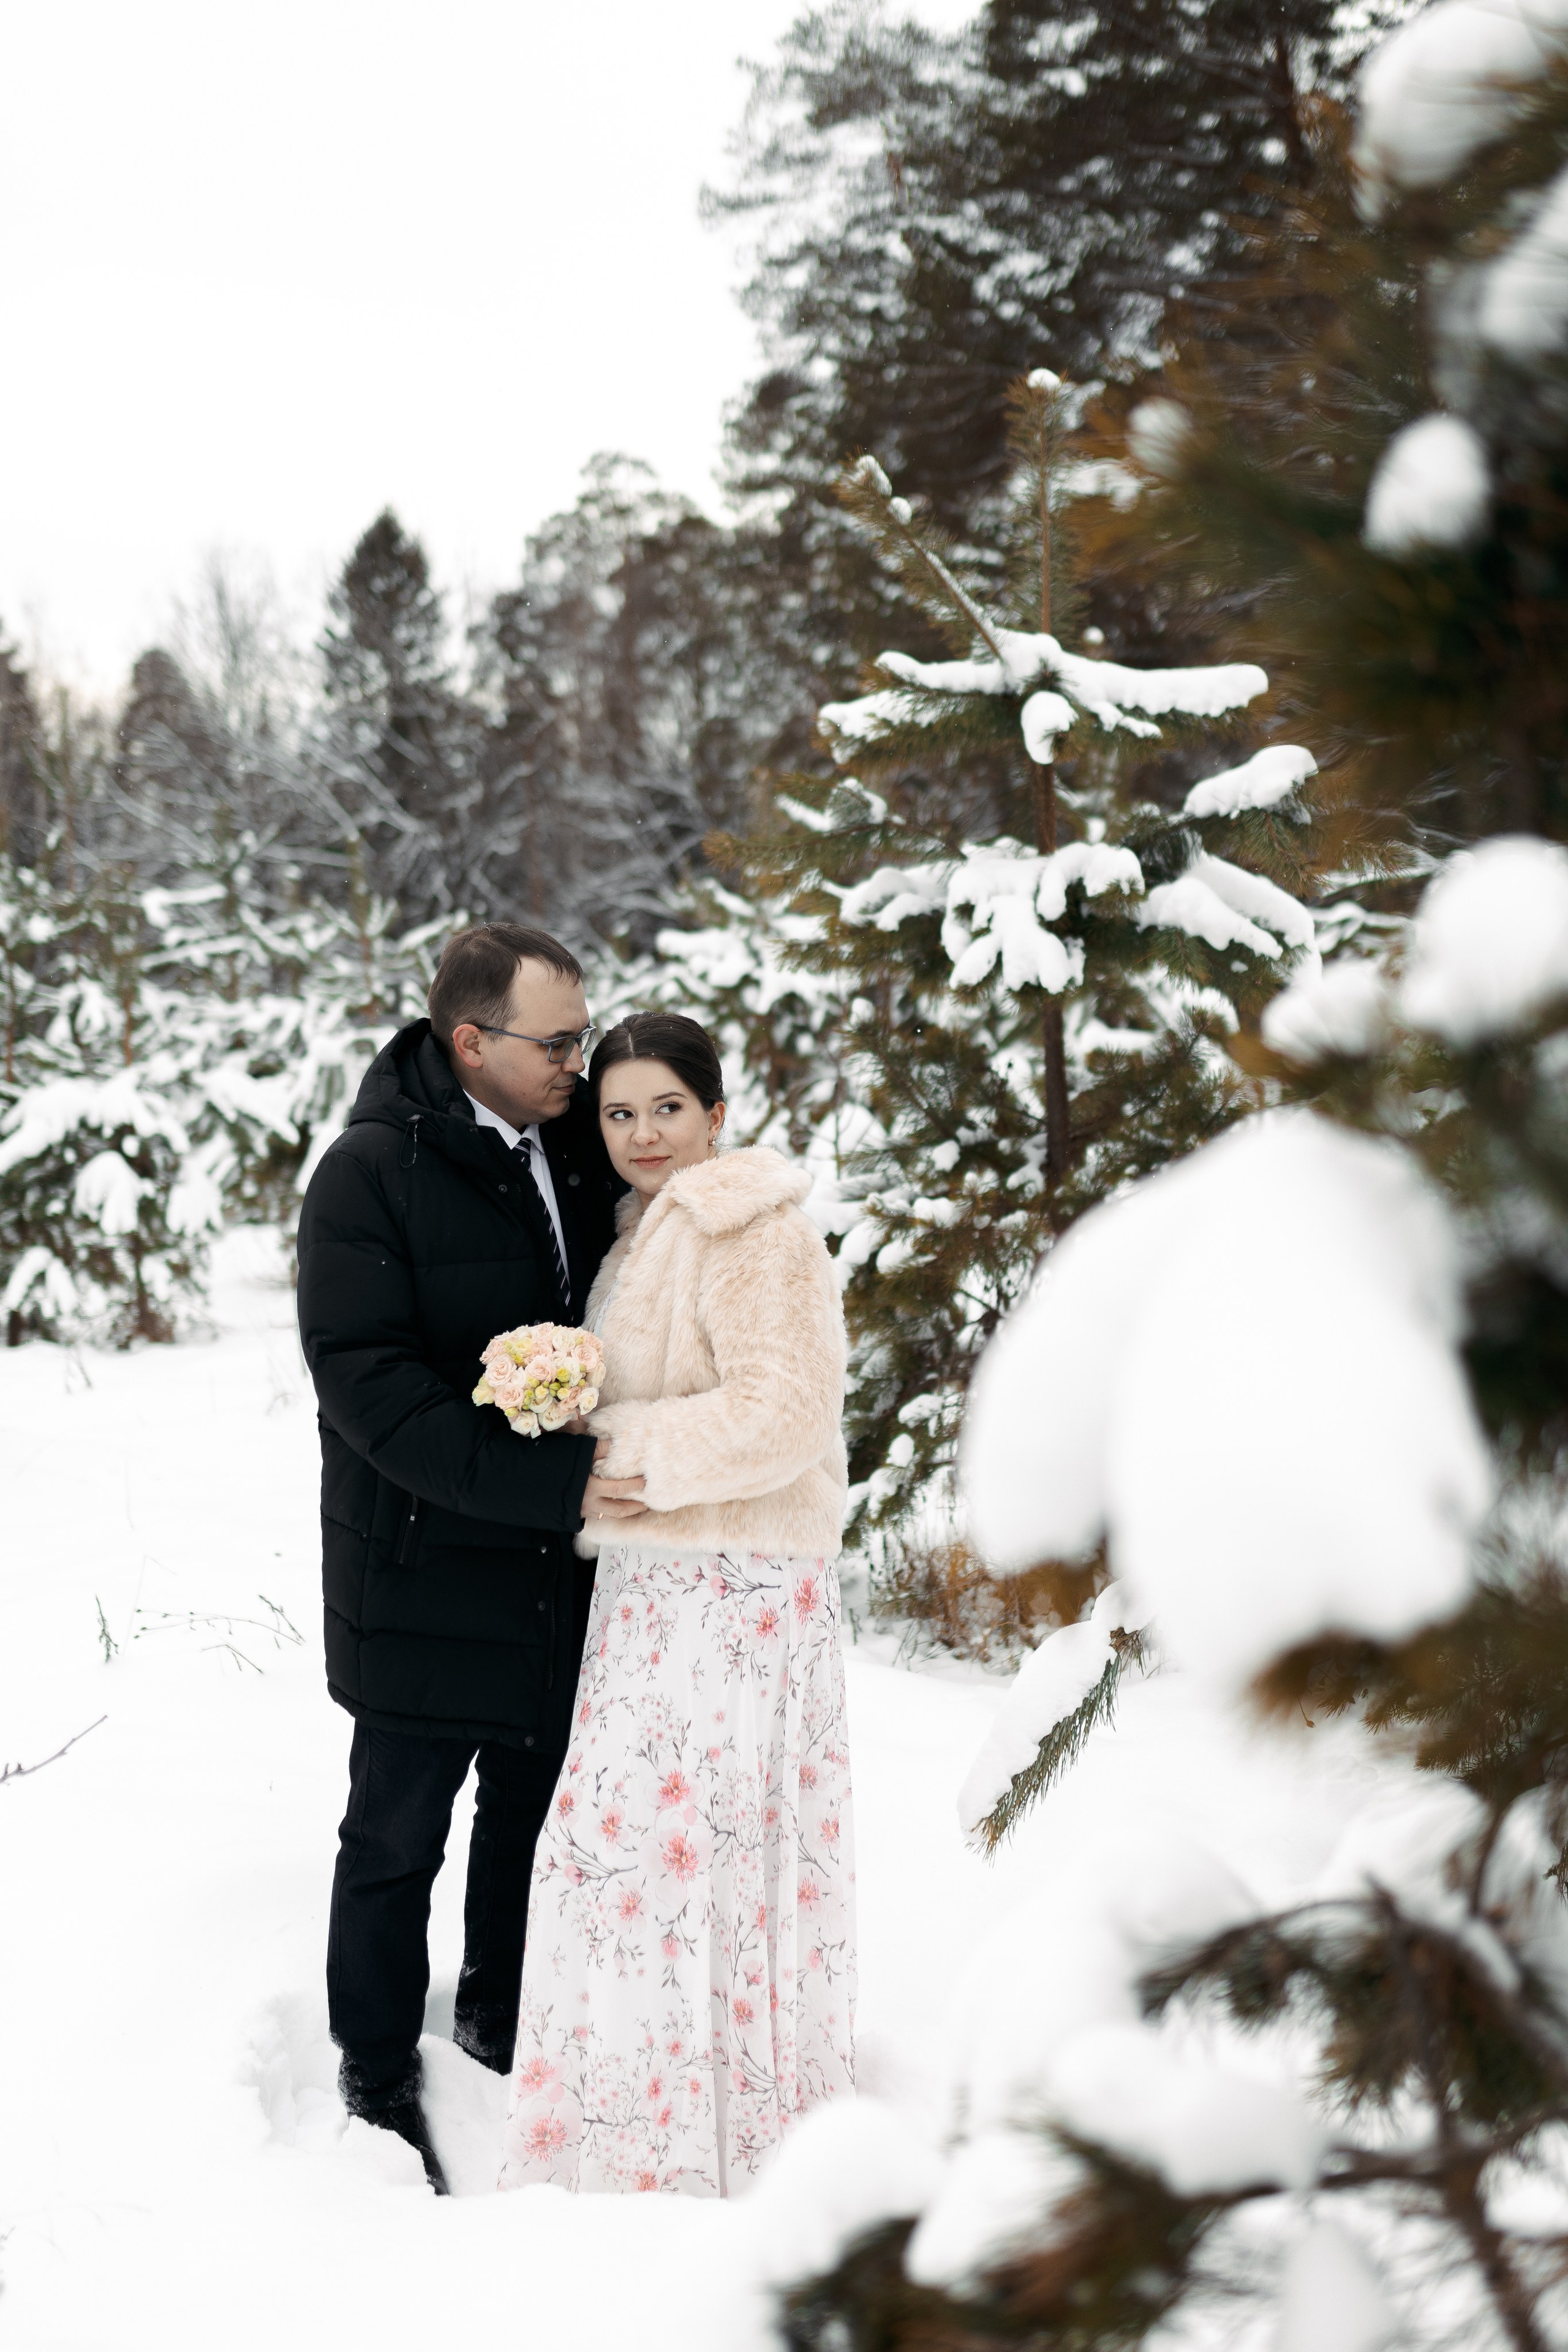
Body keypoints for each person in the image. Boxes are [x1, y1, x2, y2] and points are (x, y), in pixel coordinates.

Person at [295, 922, 647, 2192]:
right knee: (395, 1835)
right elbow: (369, 1387)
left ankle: (500, 2028)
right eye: (558, 1041)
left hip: (557, 1571)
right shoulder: (368, 1173)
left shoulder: (569, 1144)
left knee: (532, 1818)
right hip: (421, 1567)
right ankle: (376, 2063)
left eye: (582, 1034)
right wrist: (550, 1481)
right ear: (469, 1043)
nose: (578, 1060)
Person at [497, 1011, 856, 2198]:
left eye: (666, 1108)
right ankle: (638, 2122)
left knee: (684, 1855)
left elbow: (785, 1413)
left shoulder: (749, 1223)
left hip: (734, 1585)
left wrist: (616, 1452)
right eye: (618, 1112)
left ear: (716, 1111)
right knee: (631, 1856)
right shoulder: (638, 1238)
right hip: (657, 1581)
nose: (643, 1134)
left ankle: (717, 2140)